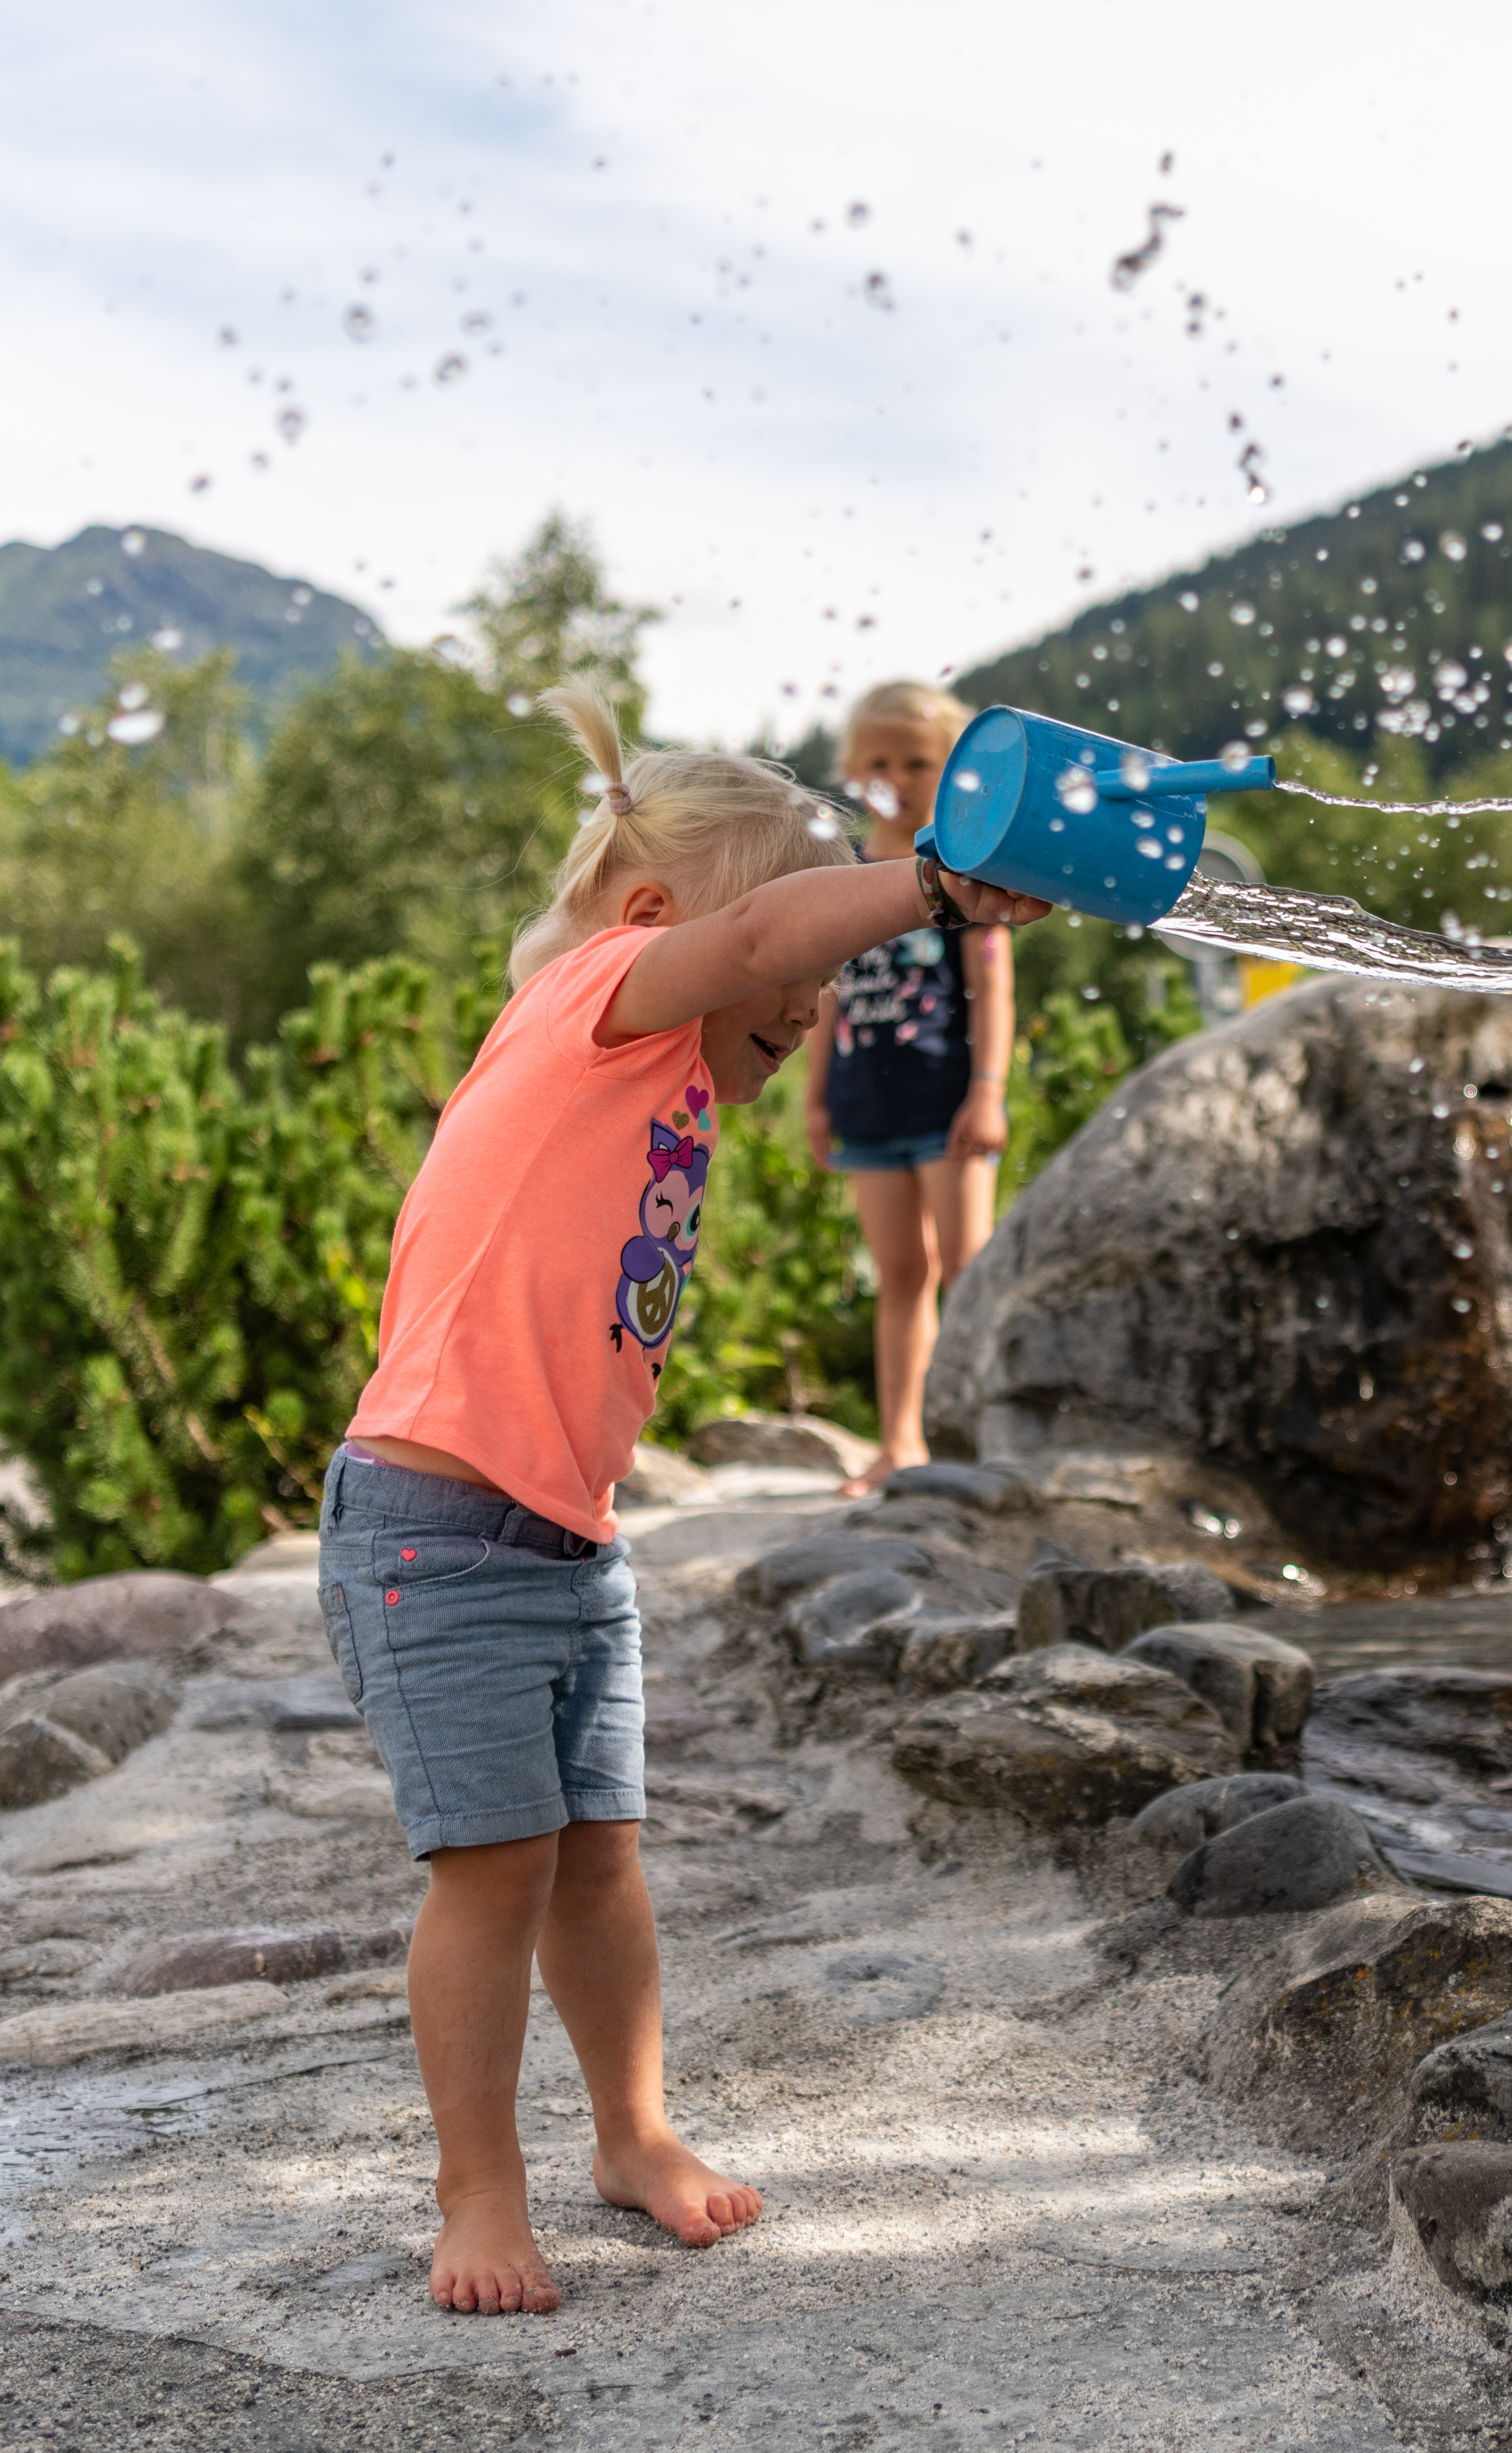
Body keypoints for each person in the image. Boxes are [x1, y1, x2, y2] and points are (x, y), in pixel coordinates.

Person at [324, 683, 1051, 2318]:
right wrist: (928, 887)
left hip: (561, 1537)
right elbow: (748, 944)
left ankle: (630, 2133)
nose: (805, 1006)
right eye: (795, 975)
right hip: (434, 1533)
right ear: (662, 922)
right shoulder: (601, 996)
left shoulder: (653, 1070)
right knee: (492, 1868)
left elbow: (762, 952)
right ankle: (478, 2188)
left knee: (601, 1860)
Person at [806, 681, 1014, 1490]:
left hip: (948, 1105)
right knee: (900, 1273)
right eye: (879, 761)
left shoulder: (965, 868)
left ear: (956, 769)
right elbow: (824, 993)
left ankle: (988, 1433)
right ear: (853, 771)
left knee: (968, 1269)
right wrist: (817, 1098)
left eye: (919, 760)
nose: (897, 775)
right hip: (867, 1106)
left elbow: (993, 987)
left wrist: (989, 1089)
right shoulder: (840, 873)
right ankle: (899, 1442)